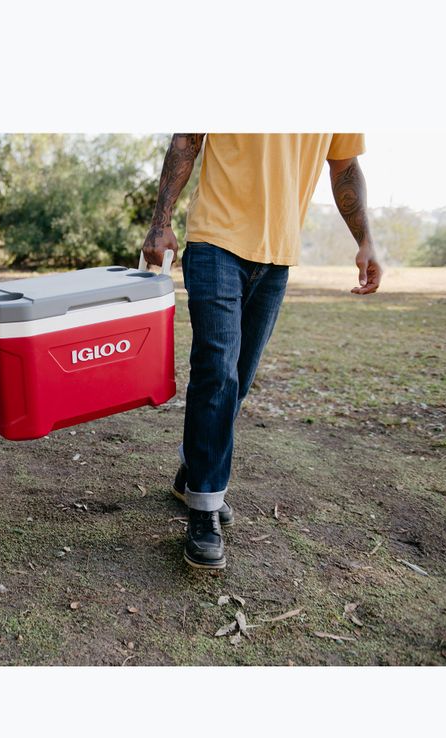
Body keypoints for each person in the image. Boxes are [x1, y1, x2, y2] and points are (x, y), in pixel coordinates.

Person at [142, 133, 382, 570]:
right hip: (215, 240)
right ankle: (204, 508)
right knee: (218, 372)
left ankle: (191, 473)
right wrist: (161, 222)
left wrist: (365, 238)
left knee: (241, 377)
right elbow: (188, 140)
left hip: (278, 253)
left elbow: (344, 167)